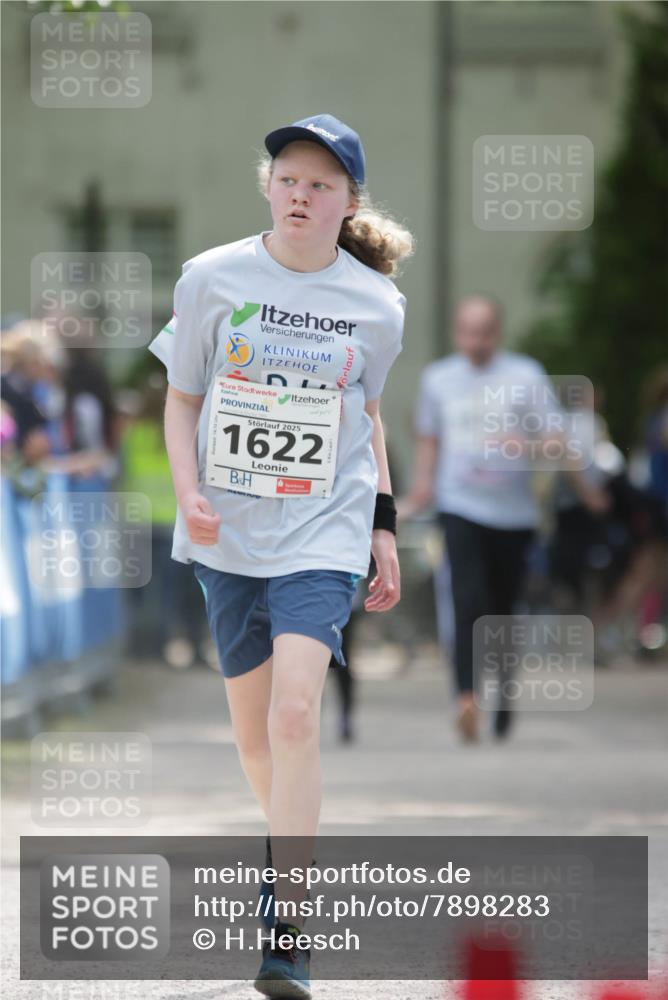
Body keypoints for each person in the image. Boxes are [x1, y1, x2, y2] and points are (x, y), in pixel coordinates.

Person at [148, 113, 412, 997]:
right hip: (228, 532)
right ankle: (293, 848)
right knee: (257, 741)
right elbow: (183, 399)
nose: (302, 196)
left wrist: (381, 523)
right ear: (268, 186)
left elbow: (364, 420)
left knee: (296, 718)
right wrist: (188, 488)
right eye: (289, 179)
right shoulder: (213, 278)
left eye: (322, 185)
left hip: (322, 531)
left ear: (347, 204)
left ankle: (287, 926)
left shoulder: (376, 303)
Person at [398, 296, 607, 743]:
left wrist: (533, 450)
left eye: (483, 332)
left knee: (503, 611)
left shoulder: (524, 376)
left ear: (497, 332)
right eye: (467, 332)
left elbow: (556, 440)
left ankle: (505, 697)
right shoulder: (439, 380)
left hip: (514, 516)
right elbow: (429, 441)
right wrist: (418, 494)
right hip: (459, 508)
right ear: (457, 332)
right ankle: (465, 698)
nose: (475, 342)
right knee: (466, 600)